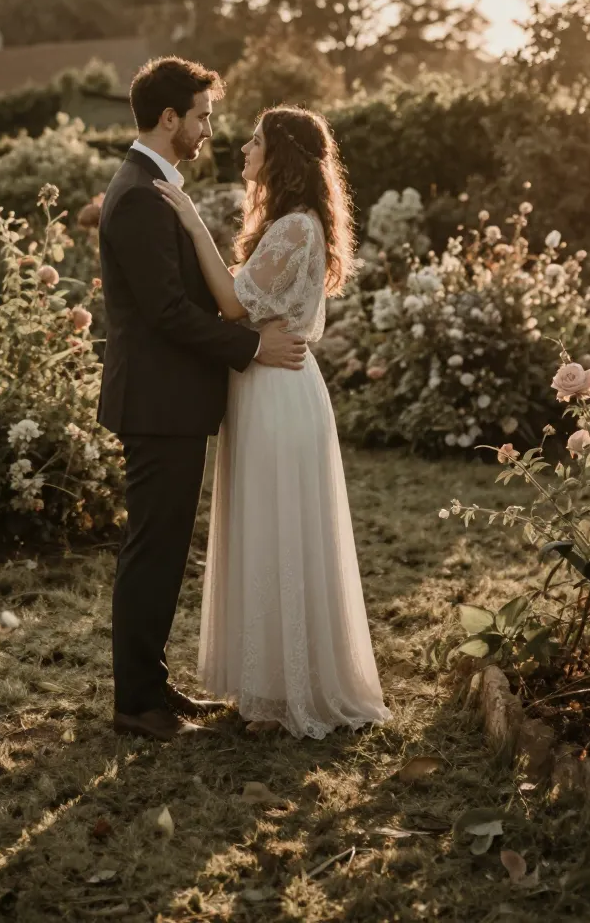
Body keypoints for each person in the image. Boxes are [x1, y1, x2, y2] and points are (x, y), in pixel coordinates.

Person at [154, 105, 391, 739]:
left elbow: (232, 302)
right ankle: (272, 686)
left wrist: (191, 220)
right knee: (267, 526)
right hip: (269, 385)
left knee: (279, 528)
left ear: (280, 153)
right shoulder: (294, 226)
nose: (242, 149)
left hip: (277, 391)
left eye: (255, 141)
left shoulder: (292, 229)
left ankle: (290, 695)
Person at [98, 57, 309, 743]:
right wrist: (249, 349)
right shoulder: (138, 193)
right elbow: (164, 312)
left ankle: (152, 683)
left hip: (172, 402)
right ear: (169, 119)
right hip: (157, 403)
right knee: (152, 549)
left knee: (161, 550)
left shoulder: (155, 188)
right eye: (202, 116)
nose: (209, 129)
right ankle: (135, 700)